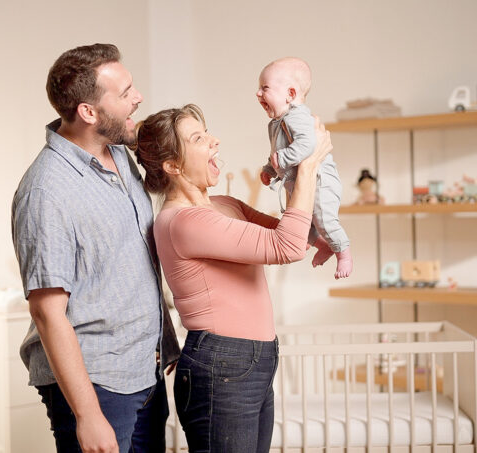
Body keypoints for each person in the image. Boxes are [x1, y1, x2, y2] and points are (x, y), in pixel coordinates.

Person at [133, 103, 333, 452]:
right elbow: (284, 247)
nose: (214, 141)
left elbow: (299, 236)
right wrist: (308, 166)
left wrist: (290, 172)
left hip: (254, 360)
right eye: (198, 138)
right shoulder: (182, 221)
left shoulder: (226, 204)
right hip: (223, 363)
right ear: (172, 165)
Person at [11, 43, 180, 453]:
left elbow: (132, 258)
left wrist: (165, 339)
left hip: (144, 370)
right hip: (97, 385)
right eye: (125, 94)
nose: (137, 97)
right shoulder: (46, 191)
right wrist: (87, 416)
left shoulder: (119, 154)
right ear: (89, 112)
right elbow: (47, 313)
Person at [257, 57, 352, 279]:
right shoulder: (276, 123)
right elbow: (278, 151)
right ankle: (325, 246)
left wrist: (282, 160)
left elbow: (308, 144)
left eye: (265, 88)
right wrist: (269, 169)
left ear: (290, 94)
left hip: (321, 180)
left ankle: (344, 253)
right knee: (303, 233)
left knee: (324, 219)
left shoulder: (297, 116)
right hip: (301, 184)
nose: (258, 94)